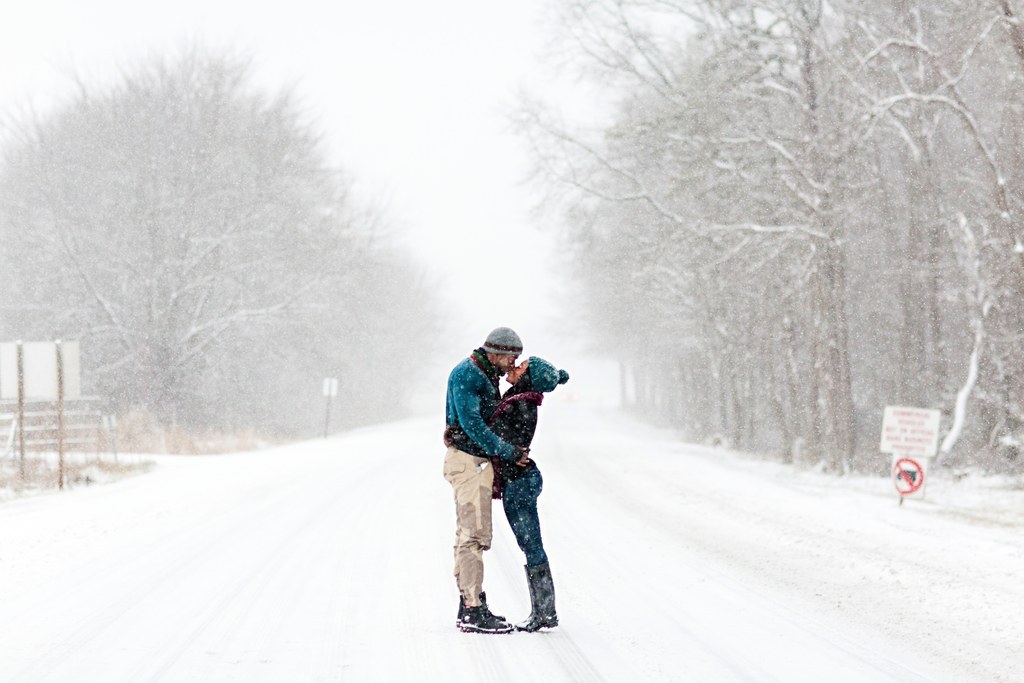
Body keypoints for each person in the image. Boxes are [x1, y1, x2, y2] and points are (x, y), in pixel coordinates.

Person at [443, 327, 529, 634]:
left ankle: (469, 601)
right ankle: (473, 610)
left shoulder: (483, 373)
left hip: (473, 461)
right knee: (473, 536)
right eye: (511, 357)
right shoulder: (469, 375)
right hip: (468, 462)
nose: (513, 364)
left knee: (469, 534)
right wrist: (506, 451)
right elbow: (472, 425)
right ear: (495, 353)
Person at [488, 356, 569, 632]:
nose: (514, 367)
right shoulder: (518, 400)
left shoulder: (521, 404)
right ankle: (544, 611)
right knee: (530, 544)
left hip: (520, 483)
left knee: (531, 545)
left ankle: (545, 612)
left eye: (521, 367)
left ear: (528, 377)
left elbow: (500, 440)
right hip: (519, 481)